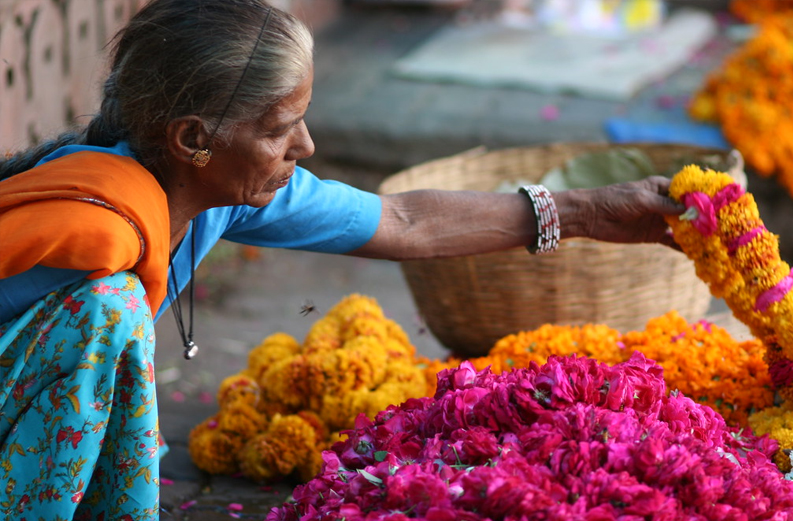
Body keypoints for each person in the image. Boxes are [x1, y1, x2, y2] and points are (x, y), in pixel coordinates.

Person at [0, 0, 684, 518]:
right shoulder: (86, 230)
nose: (306, 145)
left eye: (301, 117)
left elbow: (402, 221)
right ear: (192, 138)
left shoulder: (217, 190)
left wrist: (591, 211)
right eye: (276, 128)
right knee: (109, 311)